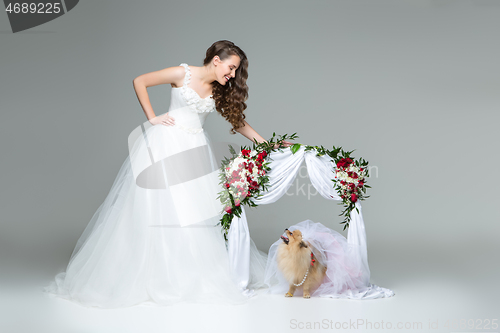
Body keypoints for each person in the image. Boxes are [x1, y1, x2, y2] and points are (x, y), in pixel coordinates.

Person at [43, 40, 292, 308]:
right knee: (158, 209)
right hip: (165, 145)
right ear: (216, 60)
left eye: (235, 71)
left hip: (195, 150)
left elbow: (238, 122)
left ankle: (183, 274)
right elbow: (140, 80)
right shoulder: (182, 73)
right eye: (231, 68)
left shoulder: (220, 91)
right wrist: (152, 117)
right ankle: (150, 274)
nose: (231, 74)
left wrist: (268, 144)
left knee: (189, 212)